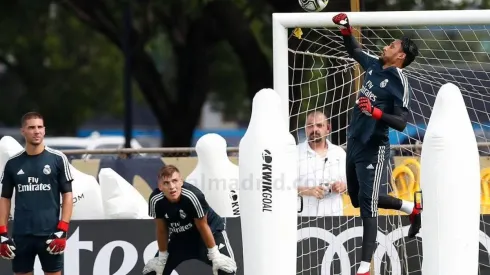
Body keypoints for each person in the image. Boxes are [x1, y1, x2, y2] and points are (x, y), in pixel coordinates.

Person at [332, 13, 422, 275]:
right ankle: (410, 208)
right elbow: (355, 50)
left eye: (392, 46)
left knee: (368, 205)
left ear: (401, 56)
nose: (386, 46)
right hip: (354, 141)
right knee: (359, 199)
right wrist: (346, 30)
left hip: (374, 145)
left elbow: (402, 123)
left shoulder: (399, 81)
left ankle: (363, 268)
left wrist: (375, 112)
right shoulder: (374, 65)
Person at [0, 112, 74, 275]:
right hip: (21, 235)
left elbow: (68, 195)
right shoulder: (12, 164)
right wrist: (2, 233)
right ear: (23, 131)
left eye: (40, 127)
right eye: (31, 127)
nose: (37, 131)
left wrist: (62, 229)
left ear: (44, 130)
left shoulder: (58, 159)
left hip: (50, 234)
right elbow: (5, 198)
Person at [143, 164, 237, 275]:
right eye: (166, 183)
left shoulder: (193, 195)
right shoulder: (155, 200)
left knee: (226, 269)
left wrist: (214, 254)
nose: (172, 187)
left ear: (181, 182)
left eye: (174, 181)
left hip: (209, 233)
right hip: (180, 239)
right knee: (153, 272)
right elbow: (162, 230)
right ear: (160, 186)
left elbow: (202, 226)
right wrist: (162, 258)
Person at [297, 111, 347, 216]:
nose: (314, 129)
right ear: (305, 129)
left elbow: (353, 186)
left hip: (334, 219)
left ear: (328, 128)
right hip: (303, 220)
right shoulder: (294, 153)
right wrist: (308, 191)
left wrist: (343, 187)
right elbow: (282, 188)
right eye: (310, 126)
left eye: (319, 125)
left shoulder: (340, 153)